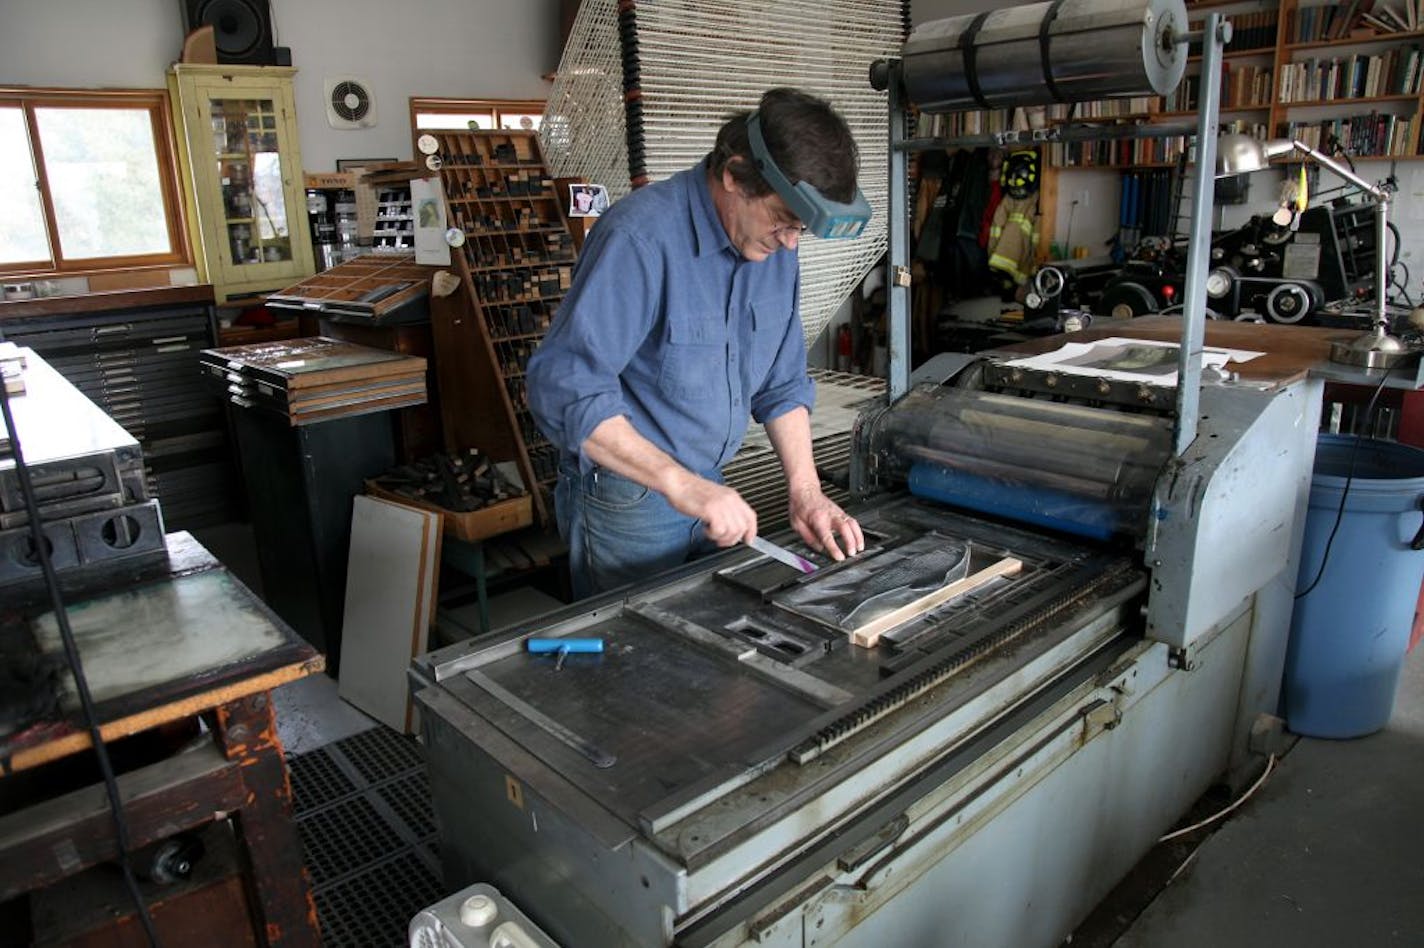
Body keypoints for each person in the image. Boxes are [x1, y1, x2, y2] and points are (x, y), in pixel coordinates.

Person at [527, 87, 867, 599]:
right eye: (782, 220)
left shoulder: (773, 248)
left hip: (712, 488)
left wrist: (807, 493)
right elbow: (564, 387)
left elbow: (782, 383)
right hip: (630, 500)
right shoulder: (640, 237)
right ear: (733, 175)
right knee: (635, 660)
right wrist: (682, 486)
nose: (790, 243)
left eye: (800, 228)